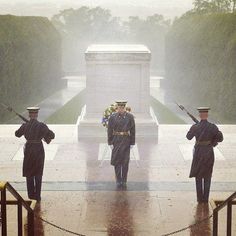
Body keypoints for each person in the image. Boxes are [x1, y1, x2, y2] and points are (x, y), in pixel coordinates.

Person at [15, 107, 55, 202]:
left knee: (29, 173)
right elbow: (52, 135)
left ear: (29, 115)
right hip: (38, 150)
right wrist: (45, 135)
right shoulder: (42, 126)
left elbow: (17, 134)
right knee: (38, 173)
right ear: (37, 115)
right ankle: (37, 196)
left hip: (29, 150)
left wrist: (25, 126)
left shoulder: (25, 125)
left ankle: (31, 195)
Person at [186, 107, 223, 203]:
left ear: (199, 115)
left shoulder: (195, 127)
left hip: (198, 153)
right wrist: (213, 142)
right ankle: (205, 199)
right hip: (208, 152)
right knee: (207, 175)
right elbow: (220, 138)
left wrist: (194, 127)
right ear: (207, 115)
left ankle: (199, 199)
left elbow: (188, 137)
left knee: (198, 176)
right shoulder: (213, 127)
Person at [107, 100, 135, 189]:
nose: (121, 109)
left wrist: (132, 142)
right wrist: (110, 142)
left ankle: (124, 180)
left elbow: (133, 130)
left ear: (125, 107)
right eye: (119, 108)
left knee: (125, 162)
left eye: (122, 108)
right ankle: (118, 180)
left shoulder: (130, 117)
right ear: (117, 108)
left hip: (126, 140)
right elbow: (109, 130)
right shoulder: (112, 117)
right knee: (117, 161)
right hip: (116, 140)